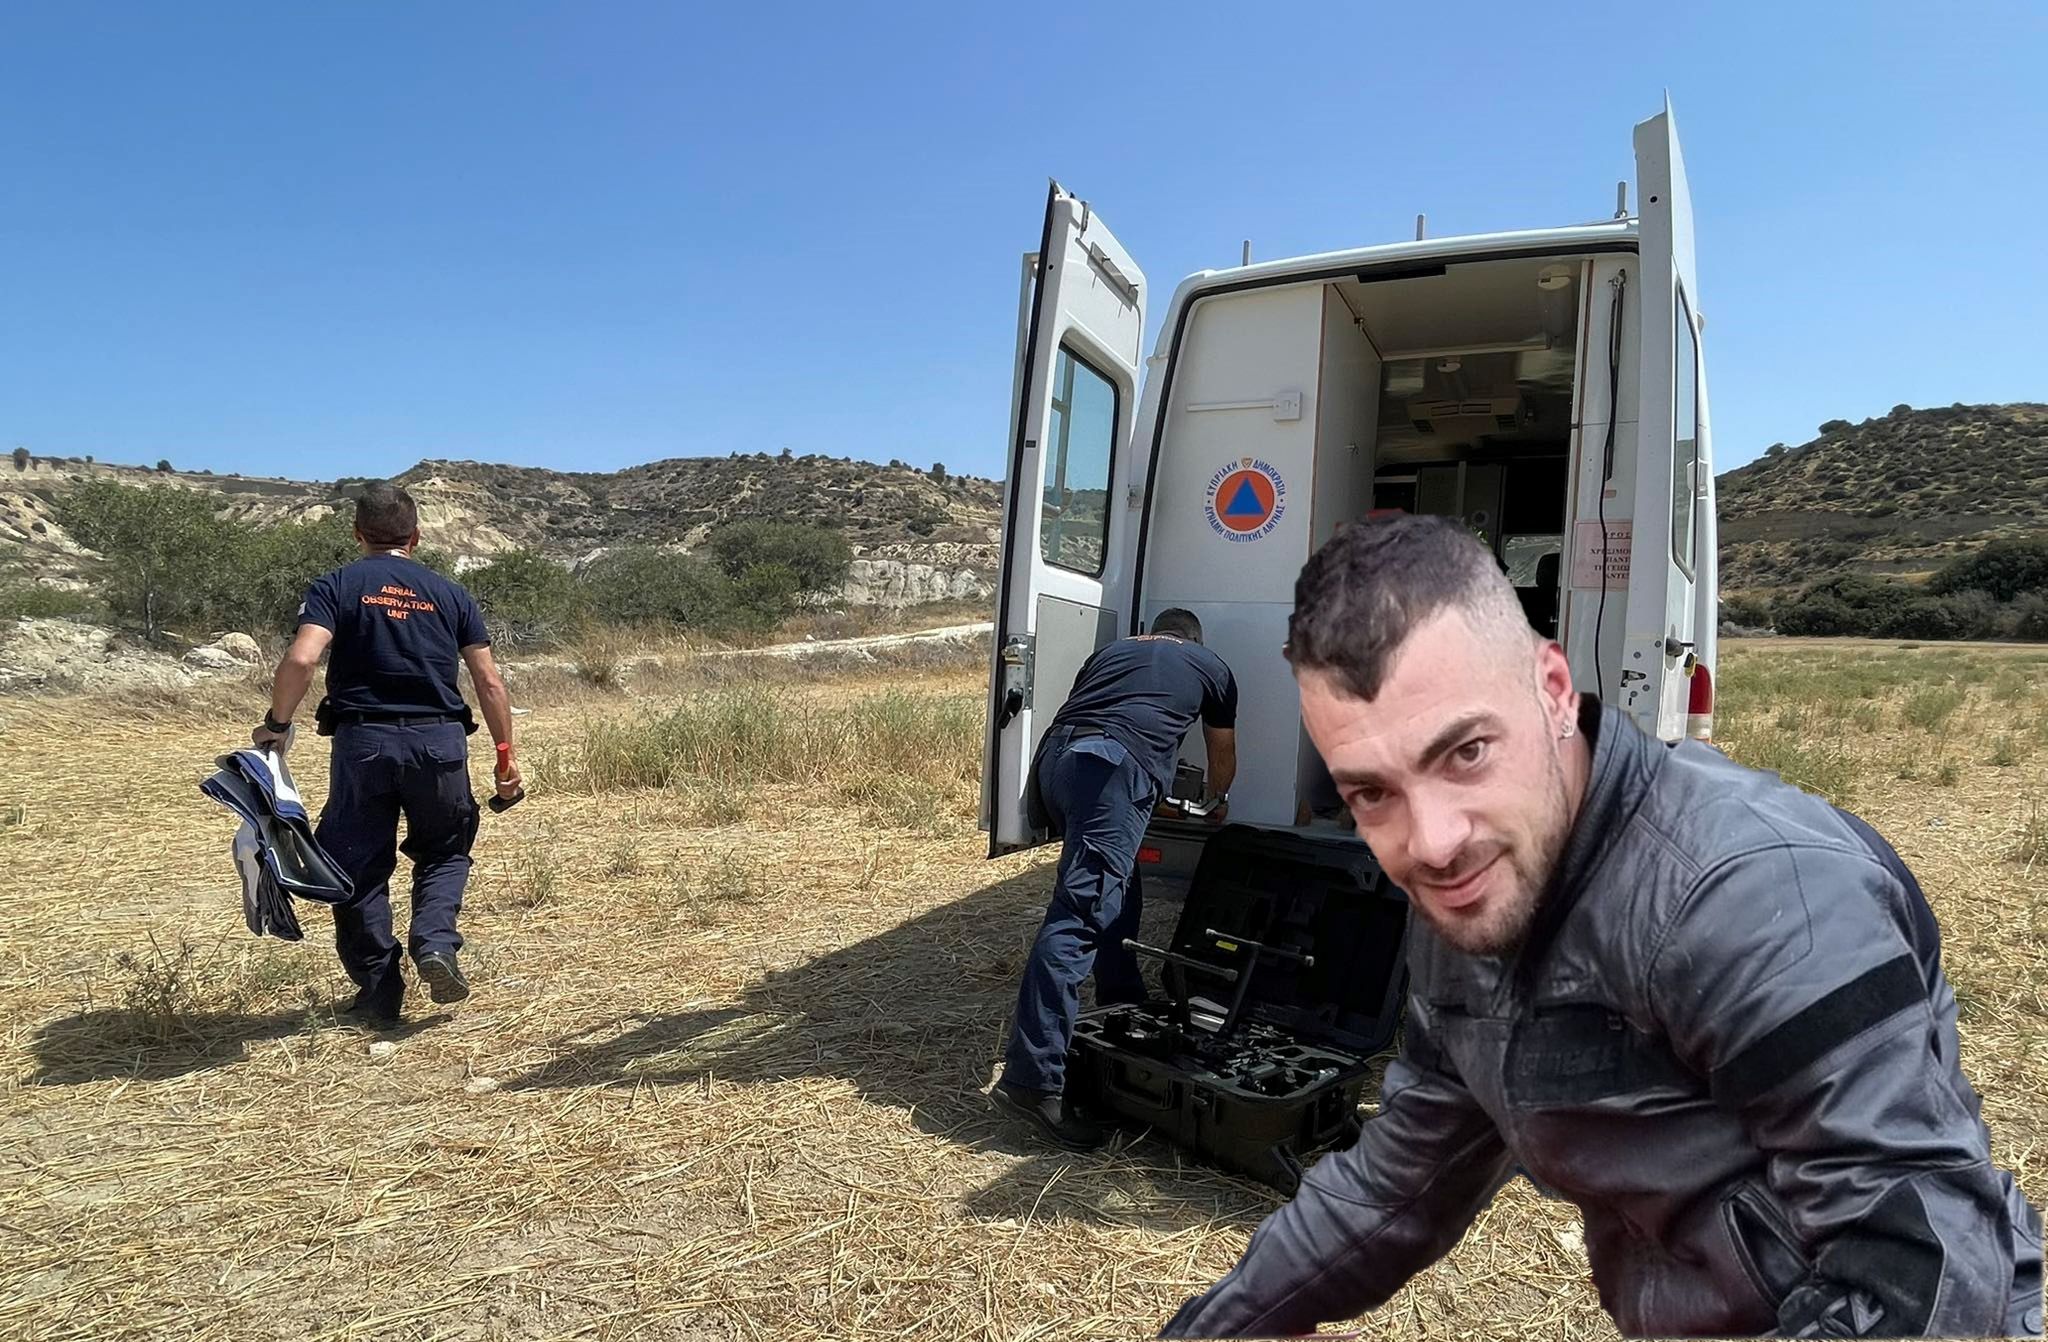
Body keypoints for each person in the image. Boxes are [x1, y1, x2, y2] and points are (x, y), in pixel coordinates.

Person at [1164, 515, 2043, 1339]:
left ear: (1554, 691)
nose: (1430, 842)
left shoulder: (1747, 893)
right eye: (1371, 792)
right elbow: (1394, 1191)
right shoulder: (1472, 903)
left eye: (1466, 753)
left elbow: (1925, 1273)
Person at [253, 482, 520, 1025]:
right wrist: (504, 754)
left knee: (354, 862)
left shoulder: (337, 585)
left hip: (364, 745)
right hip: (439, 744)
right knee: (445, 851)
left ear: (358, 534)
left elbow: (302, 659)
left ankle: (379, 991)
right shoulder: (450, 593)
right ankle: (435, 942)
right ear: (415, 537)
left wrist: (277, 724)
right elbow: (489, 683)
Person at [991, 608, 1238, 1151]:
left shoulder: (1111, 653)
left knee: (1116, 879)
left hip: (1056, 763)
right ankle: (1034, 1079)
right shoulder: (1210, 665)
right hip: (1110, 766)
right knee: (1079, 915)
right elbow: (1221, 750)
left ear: (1152, 631)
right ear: (1194, 639)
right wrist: (1216, 800)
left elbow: (1093, 711)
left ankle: (1121, 994)